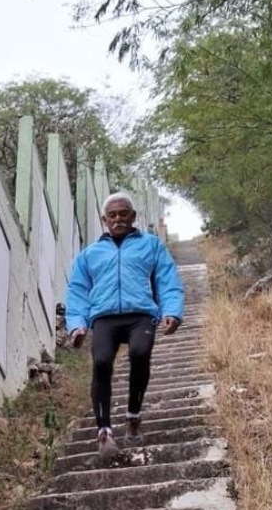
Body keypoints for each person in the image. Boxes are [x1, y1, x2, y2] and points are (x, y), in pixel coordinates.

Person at [66, 191, 184, 462]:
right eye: (112, 215)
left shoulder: (152, 245)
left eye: (123, 214)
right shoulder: (89, 255)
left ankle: (133, 414)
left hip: (140, 314)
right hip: (104, 317)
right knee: (102, 363)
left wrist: (172, 313)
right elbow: (78, 291)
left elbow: (167, 280)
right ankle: (104, 431)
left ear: (133, 217)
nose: (118, 219)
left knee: (140, 353)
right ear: (104, 219)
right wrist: (76, 325)